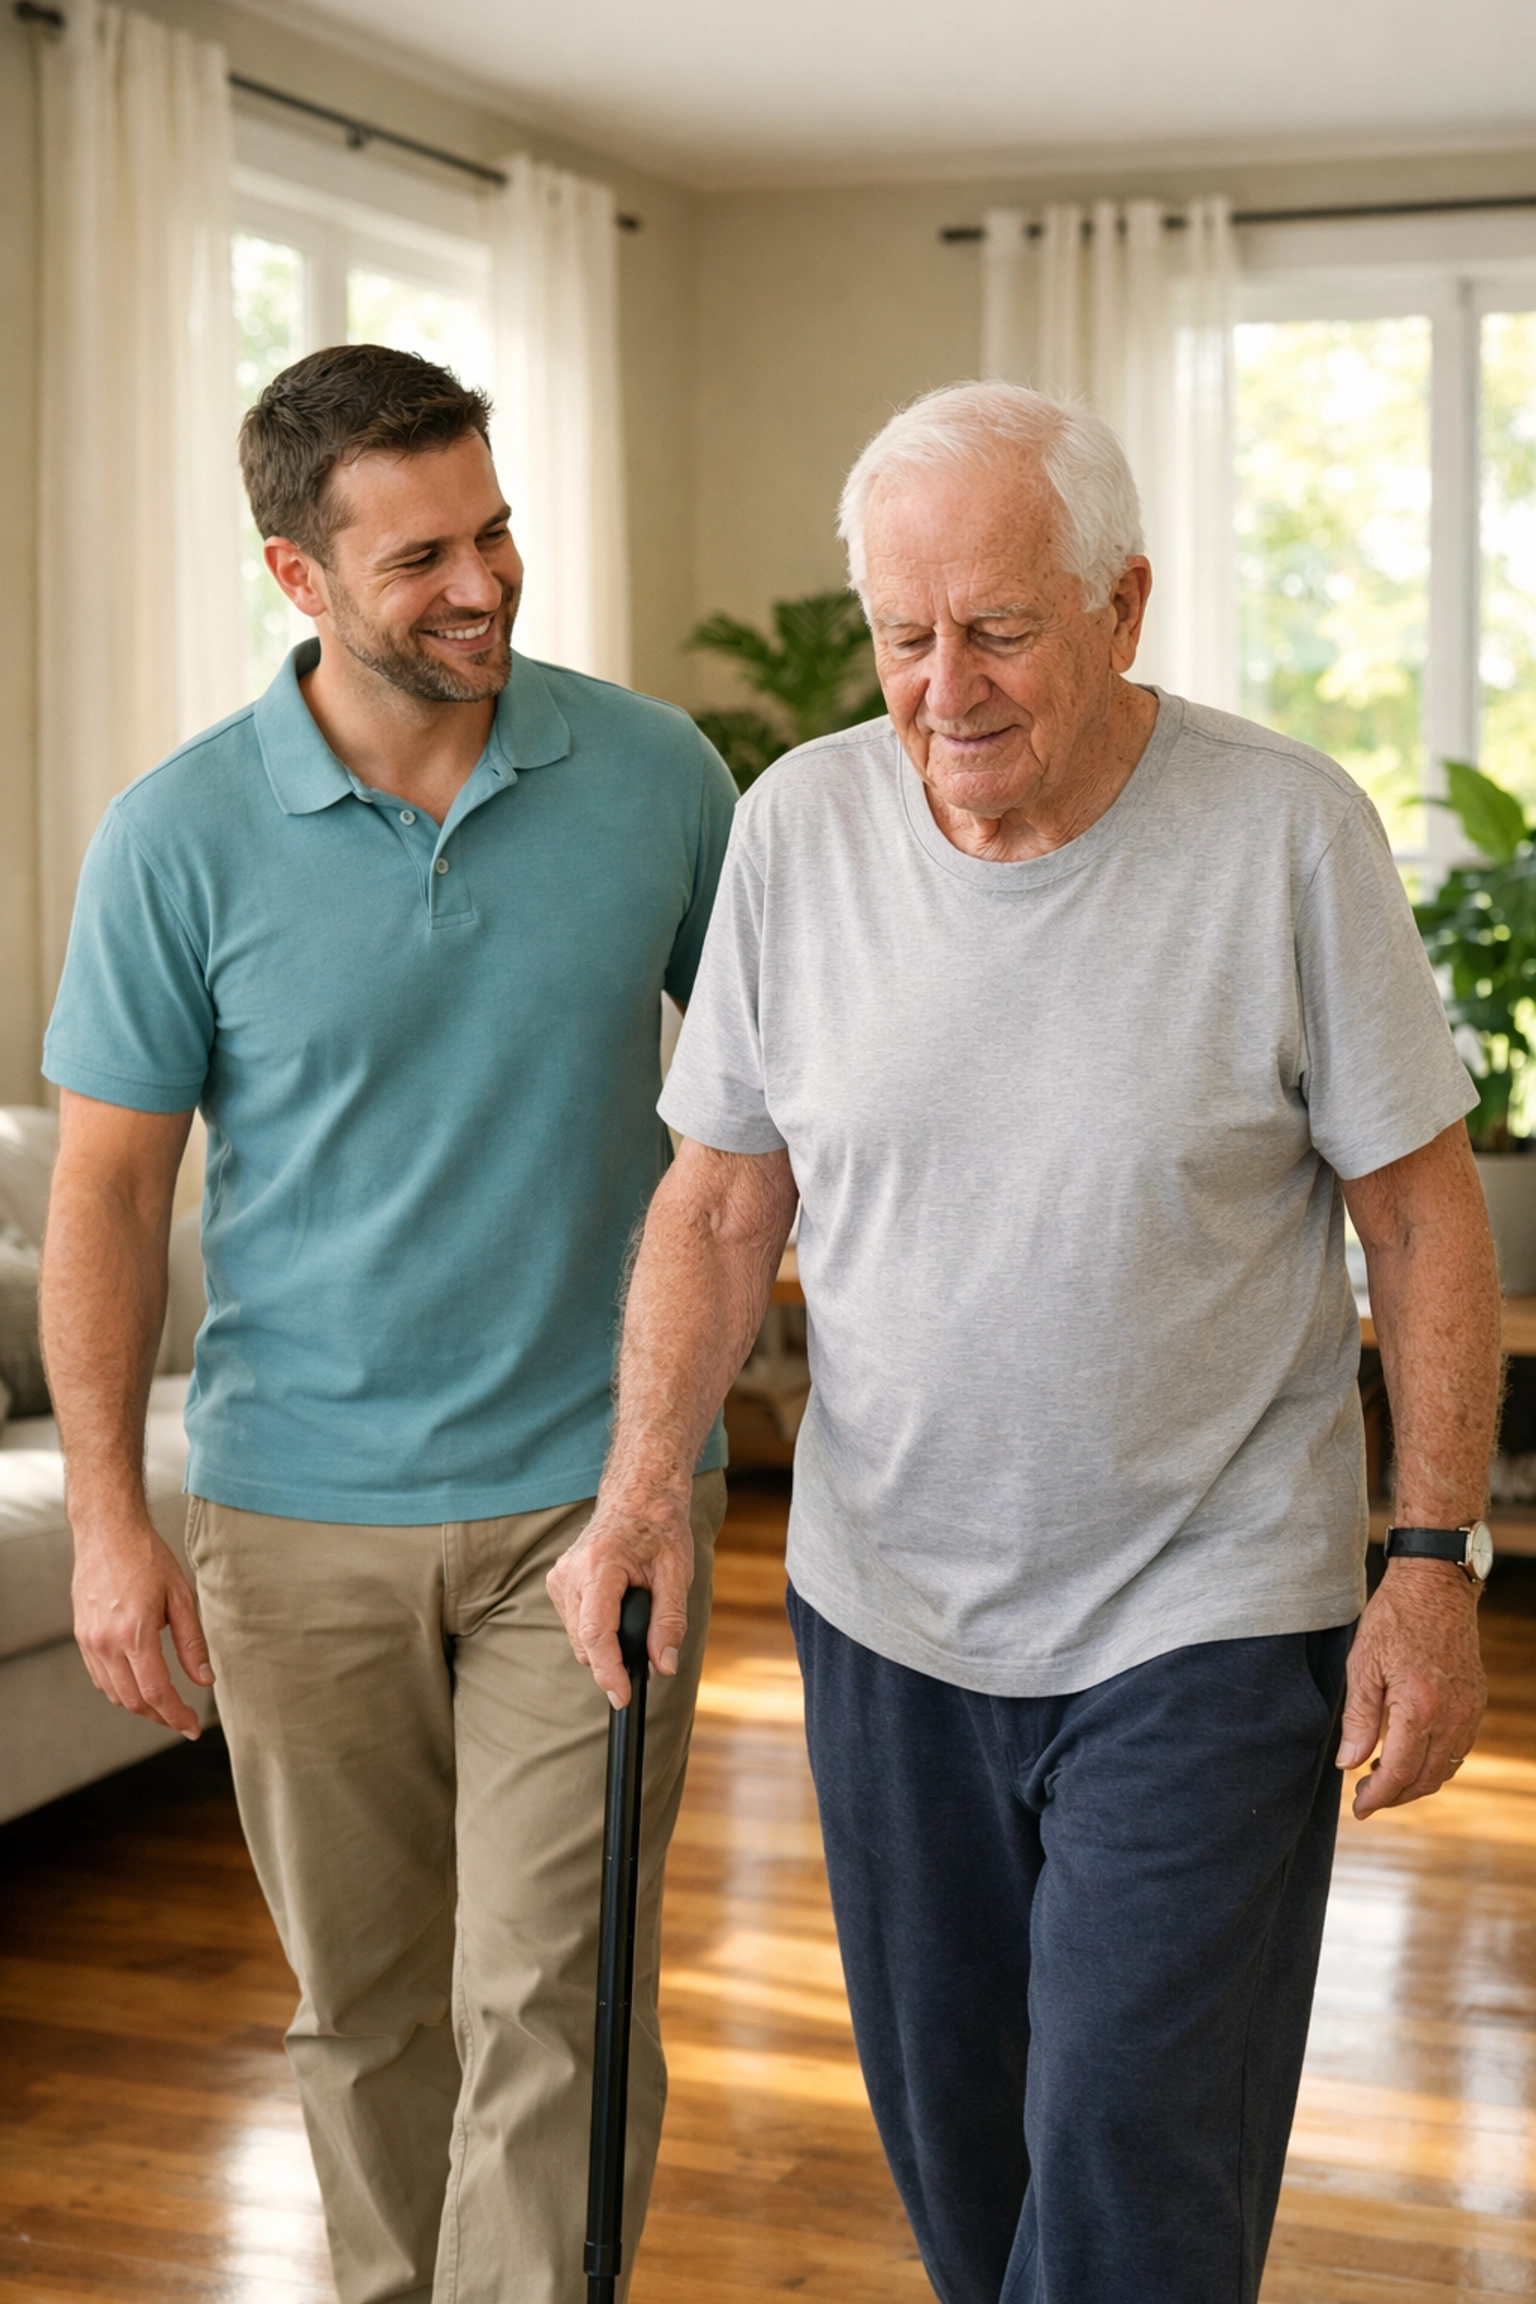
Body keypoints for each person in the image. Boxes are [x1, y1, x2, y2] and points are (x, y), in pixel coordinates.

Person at [547, 381, 1502, 2304]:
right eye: (905, 636)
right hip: (886, 1606)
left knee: (1135, 2156)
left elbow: (1420, 1215)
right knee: (969, 2163)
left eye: (997, 629)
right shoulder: (799, 829)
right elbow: (721, 1201)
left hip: (1211, 1602)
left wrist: (1430, 1562)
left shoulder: (1285, 832)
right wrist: (642, 1488)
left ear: (1123, 606)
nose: (944, 689)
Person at [41, 344, 737, 2304]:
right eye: (421, 554)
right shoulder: (177, 835)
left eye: (494, 530)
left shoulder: (660, 780)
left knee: (553, 2000)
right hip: (293, 1517)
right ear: (298, 575)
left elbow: (780, 1109)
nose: (484, 583)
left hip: (594, 1501)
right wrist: (107, 1518)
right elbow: (107, 1195)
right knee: (363, 2009)